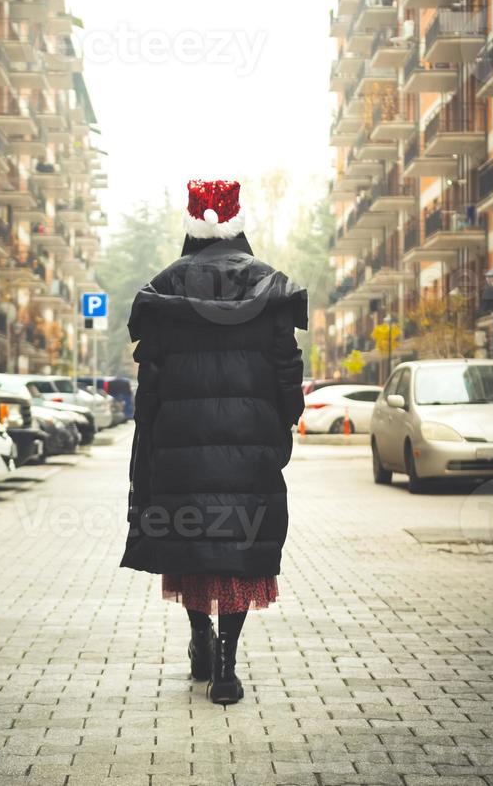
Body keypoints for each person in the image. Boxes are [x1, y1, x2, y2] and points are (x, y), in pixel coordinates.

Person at [120, 179, 307, 705]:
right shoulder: (271, 288)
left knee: (193, 541)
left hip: (179, 446)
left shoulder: (164, 289)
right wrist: (281, 427)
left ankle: (200, 640)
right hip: (251, 447)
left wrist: (150, 439)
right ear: (237, 222)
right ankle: (226, 667)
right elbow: (287, 372)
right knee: (240, 547)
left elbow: (150, 379)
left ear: (192, 224)